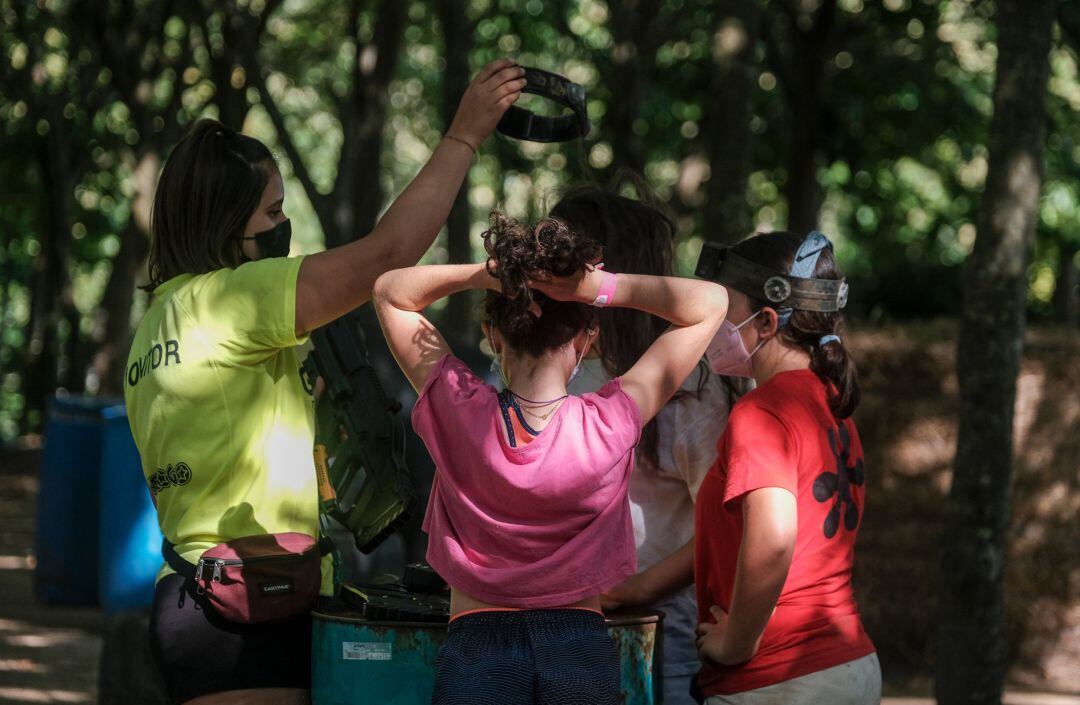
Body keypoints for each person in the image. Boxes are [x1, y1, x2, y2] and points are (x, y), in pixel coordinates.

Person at [124, 59, 526, 705]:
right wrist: (464, 137)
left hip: (194, 593)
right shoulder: (234, 299)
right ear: (229, 224)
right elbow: (388, 254)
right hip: (251, 597)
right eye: (273, 210)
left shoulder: (158, 320)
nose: (283, 226)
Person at [372, 212, 729, 705]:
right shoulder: (611, 421)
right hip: (579, 648)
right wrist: (595, 287)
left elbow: (391, 291)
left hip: (477, 649)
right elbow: (712, 302)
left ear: (492, 334)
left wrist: (494, 273)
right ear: (587, 339)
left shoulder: (457, 409)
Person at [552, 185, 741, 705]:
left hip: (663, 634)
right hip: (554, 625)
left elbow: (725, 524)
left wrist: (632, 593)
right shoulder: (545, 366)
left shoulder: (691, 388)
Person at [693, 231, 879, 704]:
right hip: (847, 663)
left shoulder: (760, 412)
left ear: (767, 321)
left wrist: (736, 644)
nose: (717, 323)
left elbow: (774, 541)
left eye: (727, 308)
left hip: (779, 680)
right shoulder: (830, 400)